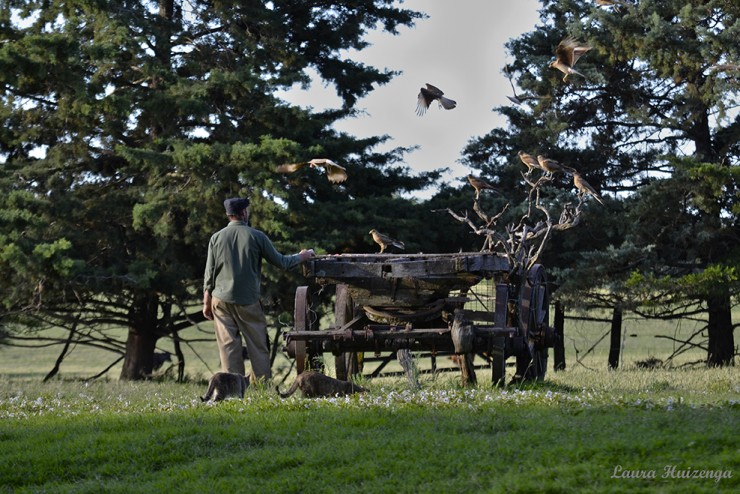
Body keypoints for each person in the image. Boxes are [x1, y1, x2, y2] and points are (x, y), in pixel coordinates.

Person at [203, 197, 314, 381]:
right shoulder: (256, 236)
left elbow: (209, 273)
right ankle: (262, 387)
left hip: (220, 300)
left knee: (228, 347)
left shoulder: (216, 237)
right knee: (257, 346)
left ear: (228, 214)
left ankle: (233, 389)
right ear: (243, 213)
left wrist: (206, 302)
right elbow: (282, 262)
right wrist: (302, 256)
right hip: (247, 300)